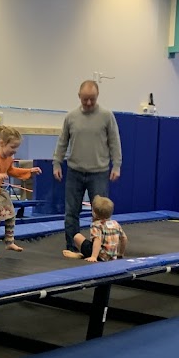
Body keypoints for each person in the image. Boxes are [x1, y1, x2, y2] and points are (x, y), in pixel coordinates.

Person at [53, 80, 122, 253]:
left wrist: (117, 165)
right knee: (71, 212)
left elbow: (115, 142)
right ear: (79, 96)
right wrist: (57, 163)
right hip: (75, 171)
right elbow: (62, 142)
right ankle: (72, 247)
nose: (89, 103)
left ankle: (102, 249)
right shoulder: (71, 117)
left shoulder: (106, 116)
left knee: (101, 213)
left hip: (99, 172)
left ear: (97, 96)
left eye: (92, 99)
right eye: (85, 99)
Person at [0, 126, 42, 261]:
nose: (14, 150)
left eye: (17, 147)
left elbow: (12, 171)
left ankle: (9, 242)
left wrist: (29, 171)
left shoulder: (9, 158)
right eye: (12, 147)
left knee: (10, 214)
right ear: (2, 143)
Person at [63, 195, 127, 262]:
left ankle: (84, 255)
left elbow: (97, 240)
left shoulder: (96, 225)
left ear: (94, 213)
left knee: (77, 236)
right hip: (112, 256)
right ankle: (85, 254)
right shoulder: (115, 224)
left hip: (100, 256)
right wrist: (120, 253)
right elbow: (124, 238)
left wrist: (94, 257)